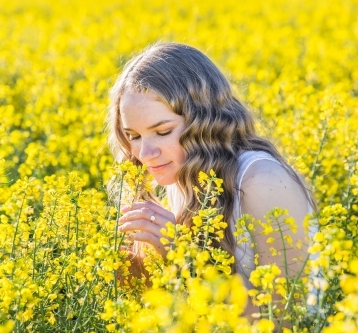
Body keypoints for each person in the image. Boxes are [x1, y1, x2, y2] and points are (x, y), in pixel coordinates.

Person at [107, 42, 316, 315]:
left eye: (163, 131)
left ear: (204, 122)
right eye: (133, 136)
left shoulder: (261, 181)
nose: (145, 153)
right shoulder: (181, 179)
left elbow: (285, 315)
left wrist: (182, 255)